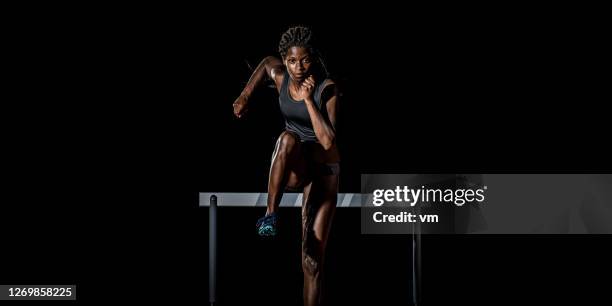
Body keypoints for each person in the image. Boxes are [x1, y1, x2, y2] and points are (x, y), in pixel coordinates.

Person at [232, 26, 340, 306]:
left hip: (323, 172)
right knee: (286, 139)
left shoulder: (326, 89)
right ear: (286, 59)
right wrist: (245, 94)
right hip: (296, 166)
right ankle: (270, 215)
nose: (298, 67)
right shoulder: (281, 75)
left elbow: (328, 141)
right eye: (292, 61)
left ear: (312, 58)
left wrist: (307, 99)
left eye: (304, 60)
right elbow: (267, 63)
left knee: (311, 262)